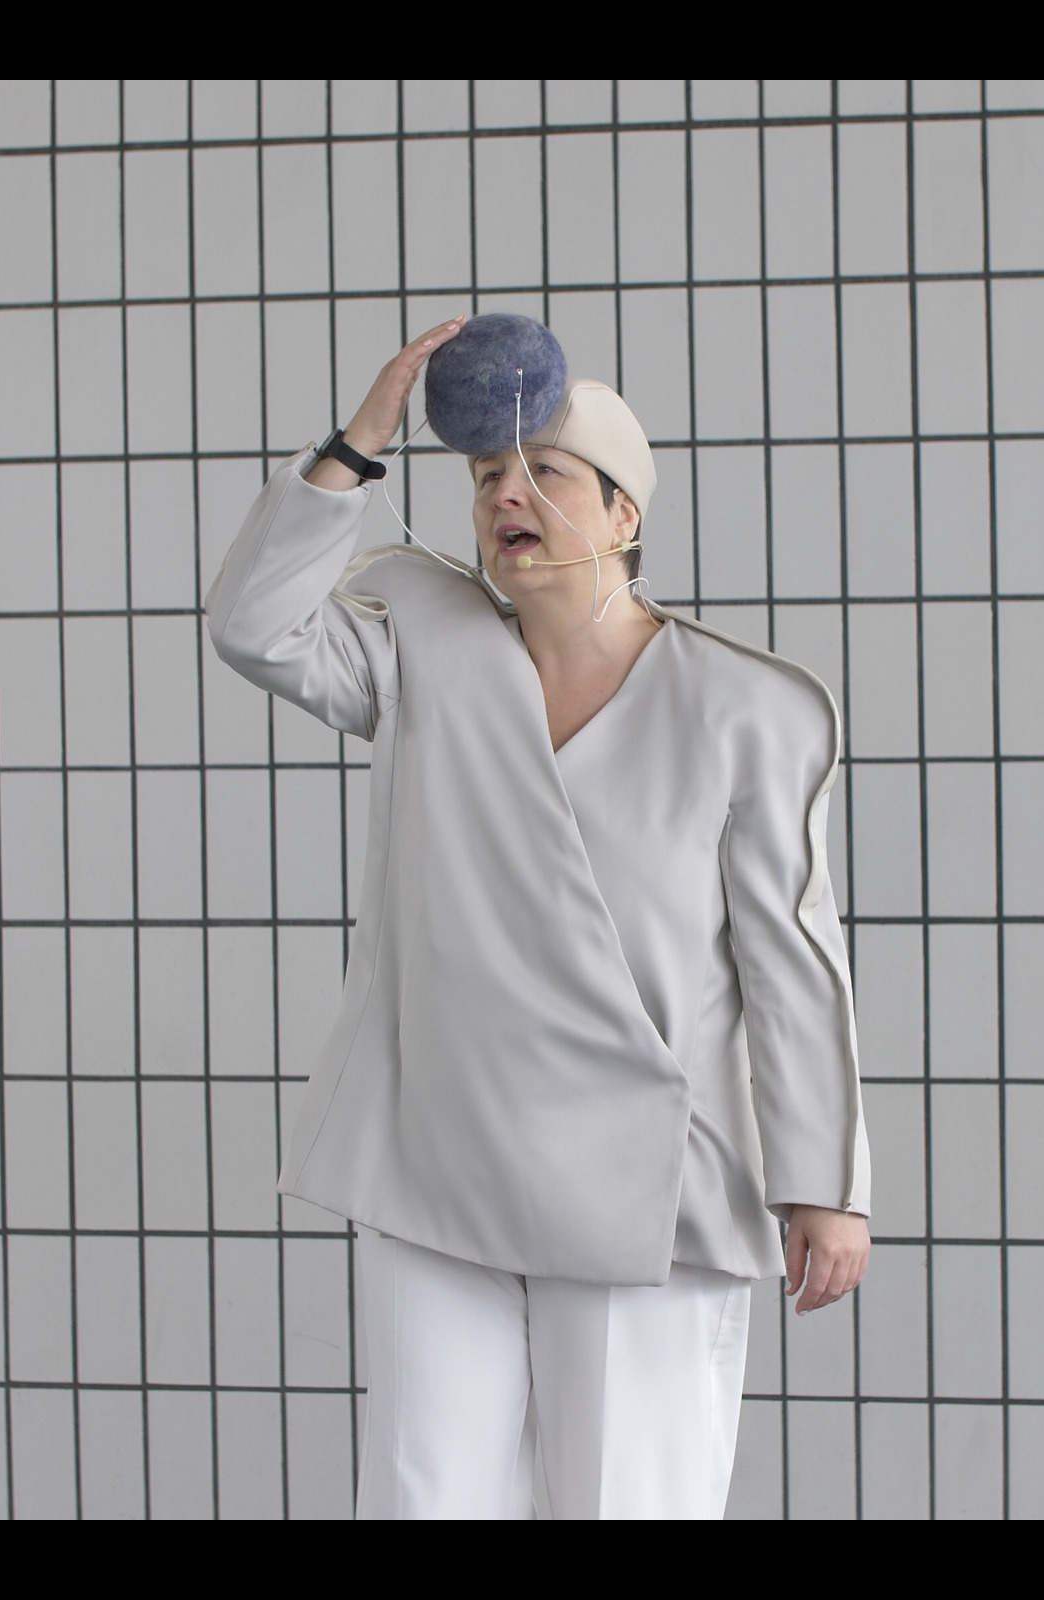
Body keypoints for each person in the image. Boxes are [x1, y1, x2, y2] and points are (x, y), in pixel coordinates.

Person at [206, 317, 870, 1519]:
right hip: (439, 1152)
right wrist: (360, 445)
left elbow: (790, 959)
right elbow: (253, 625)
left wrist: (822, 1179)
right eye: (483, 477)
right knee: (426, 1495)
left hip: (648, 1184)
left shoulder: (743, 707)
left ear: (625, 513)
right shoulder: (430, 648)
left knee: (626, 1498)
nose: (507, 495)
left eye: (544, 472)